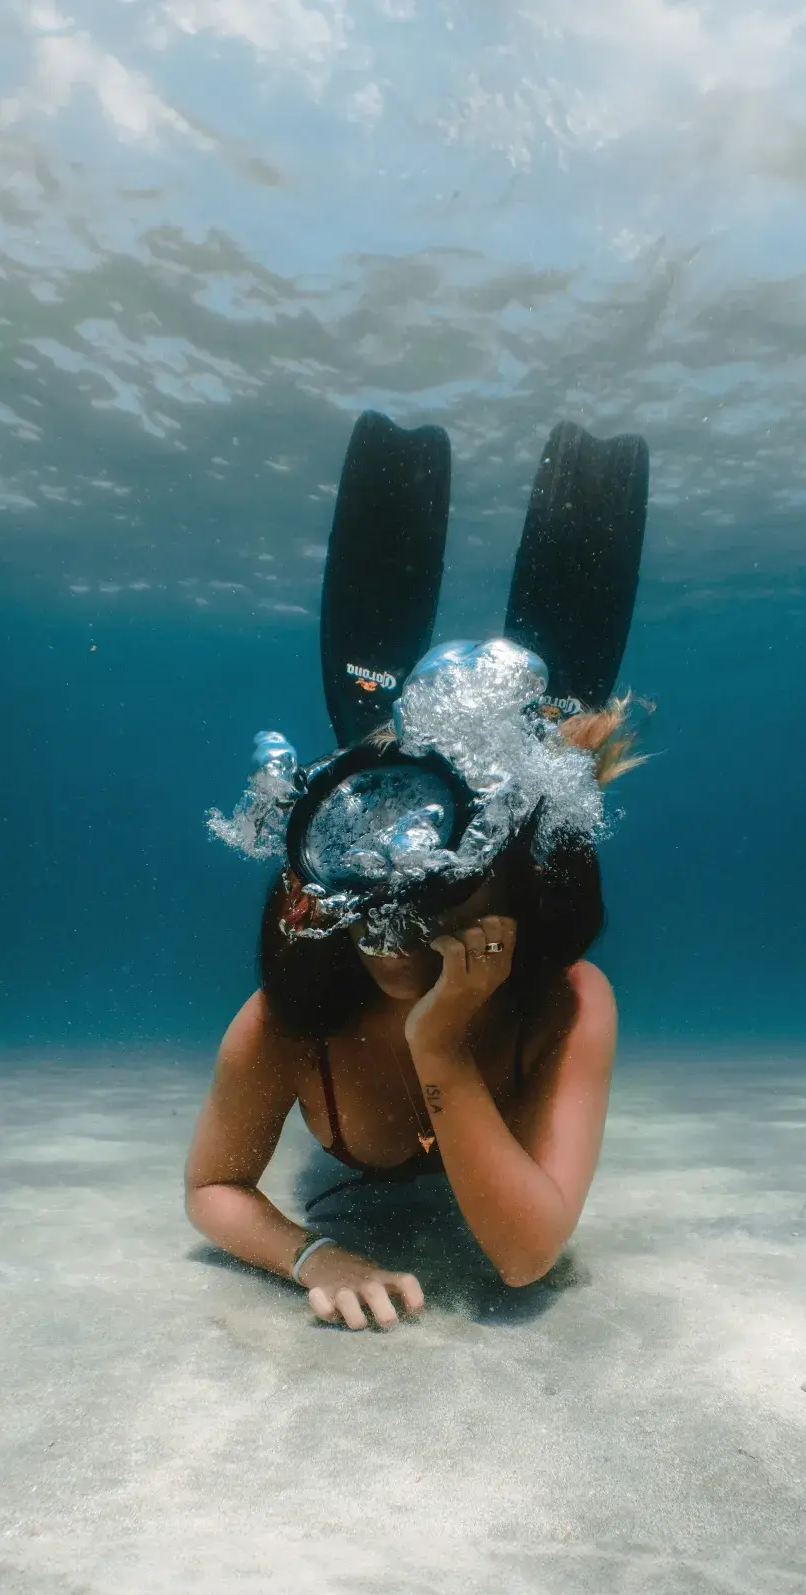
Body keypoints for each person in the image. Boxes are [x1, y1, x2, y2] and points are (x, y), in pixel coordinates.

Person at [186, 415, 651, 1331]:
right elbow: (212, 1185)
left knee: (477, 727)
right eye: (369, 875)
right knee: (375, 735)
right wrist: (311, 1252)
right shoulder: (288, 1017)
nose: (392, 910)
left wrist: (439, 1045)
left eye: (439, 874)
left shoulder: (567, 1003)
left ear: (511, 884)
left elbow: (525, 1257)